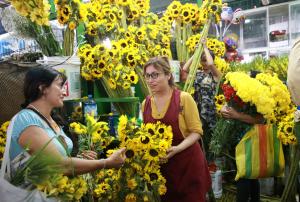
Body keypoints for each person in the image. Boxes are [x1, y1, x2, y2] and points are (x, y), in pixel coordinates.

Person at [8, 67, 126, 177]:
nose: (64, 92)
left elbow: (60, 160)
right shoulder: (26, 120)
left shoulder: (51, 119)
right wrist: (105, 163)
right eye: (60, 86)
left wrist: (79, 158)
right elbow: (60, 165)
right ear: (42, 88)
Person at [142, 56, 211, 202]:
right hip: (165, 168)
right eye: (147, 75)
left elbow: (197, 132)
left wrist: (177, 149)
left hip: (188, 165)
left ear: (168, 75)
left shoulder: (183, 99)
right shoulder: (146, 103)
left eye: (155, 75)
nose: (150, 80)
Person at [220, 90, 264, 202]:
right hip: (237, 140)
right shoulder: (238, 91)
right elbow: (226, 106)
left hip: (250, 140)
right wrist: (223, 110)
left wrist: (237, 115)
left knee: (244, 175)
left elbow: (261, 119)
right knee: (250, 176)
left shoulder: (259, 96)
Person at [182, 39, 222, 156]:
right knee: (197, 137)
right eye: (202, 60)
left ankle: (211, 162)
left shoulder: (216, 75)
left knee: (210, 138)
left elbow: (210, 64)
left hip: (209, 110)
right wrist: (196, 54)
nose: (204, 63)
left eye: (205, 60)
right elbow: (184, 69)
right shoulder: (197, 73)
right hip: (197, 109)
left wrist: (204, 47)